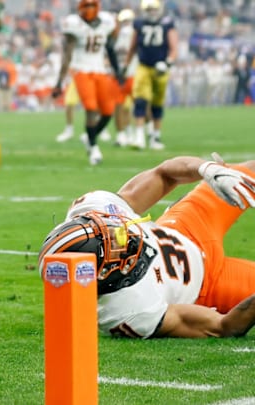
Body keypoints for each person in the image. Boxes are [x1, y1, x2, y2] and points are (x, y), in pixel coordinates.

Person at [38, 153, 255, 338]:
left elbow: (165, 173)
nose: (118, 232)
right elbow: (223, 326)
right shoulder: (127, 310)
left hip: (185, 227)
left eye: (107, 228)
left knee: (246, 174)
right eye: (113, 243)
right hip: (208, 284)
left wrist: (207, 169)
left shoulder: (95, 206)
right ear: (104, 274)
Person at [52, 0, 120, 166]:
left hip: (101, 70)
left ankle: (90, 137)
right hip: (82, 70)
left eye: (92, 5)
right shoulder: (73, 24)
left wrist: (117, 71)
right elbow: (67, 56)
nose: (89, 9)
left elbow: (110, 48)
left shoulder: (107, 21)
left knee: (108, 111)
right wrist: (59, 82)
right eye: (86, 5)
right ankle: (94, 148)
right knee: (90, 108)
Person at [123, 0, 177, 150]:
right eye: (149, 9)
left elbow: (174, 48)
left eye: (154, 9)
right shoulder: (139, 23)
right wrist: (126, 64)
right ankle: (139, 136)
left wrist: (168, 62)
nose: (152, 12)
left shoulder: (167, 23)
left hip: (161, 67)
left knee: (157, 104)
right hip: (144, 66)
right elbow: (133, 46)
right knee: (140, 100)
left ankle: (155, 137)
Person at [112, 8, 137, 148]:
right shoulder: (117, 36)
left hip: (132, 73)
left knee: (136, 107)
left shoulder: (134, 34)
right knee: (119, 106)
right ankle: (123, 134)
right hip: (120, 75)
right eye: (124, 22)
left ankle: (134, 132)